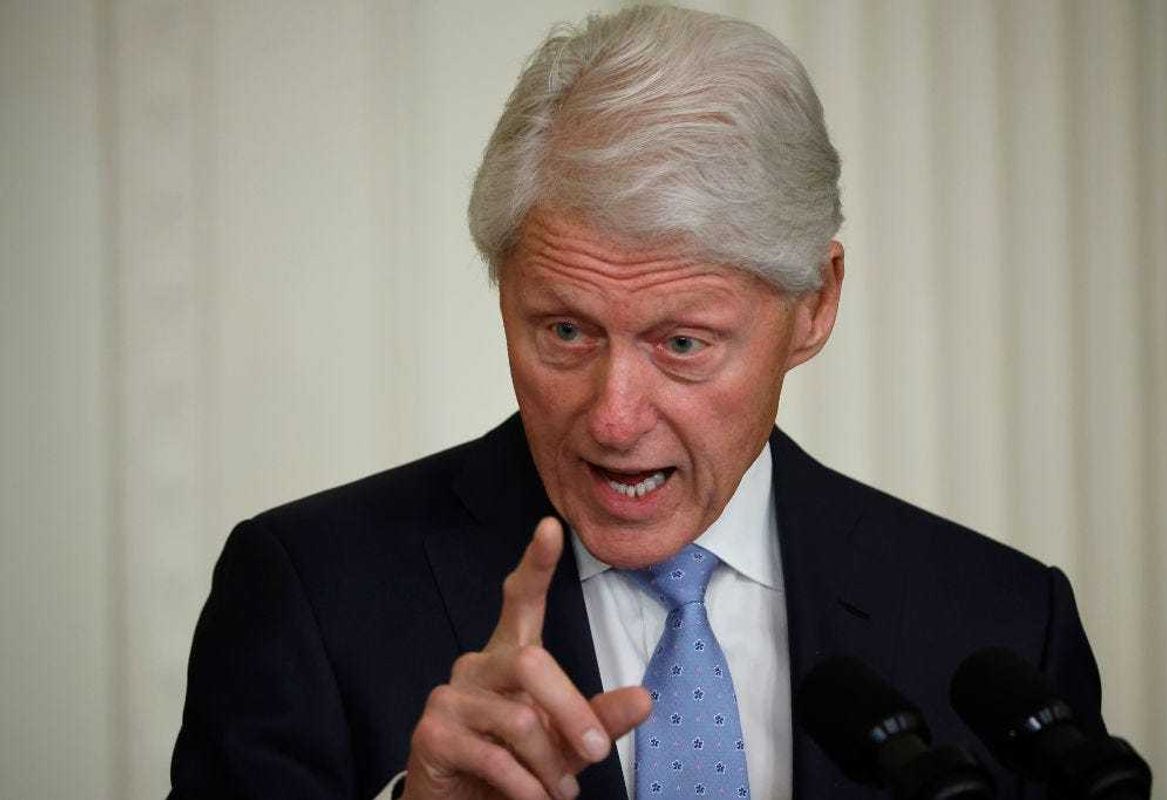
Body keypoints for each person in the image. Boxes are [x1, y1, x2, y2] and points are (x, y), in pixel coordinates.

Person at [168, 6, 1104, 800]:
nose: (614, 419)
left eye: (683, 343)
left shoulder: (1003, 621)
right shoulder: (309, 594)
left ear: (814, 307)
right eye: (566, 332)